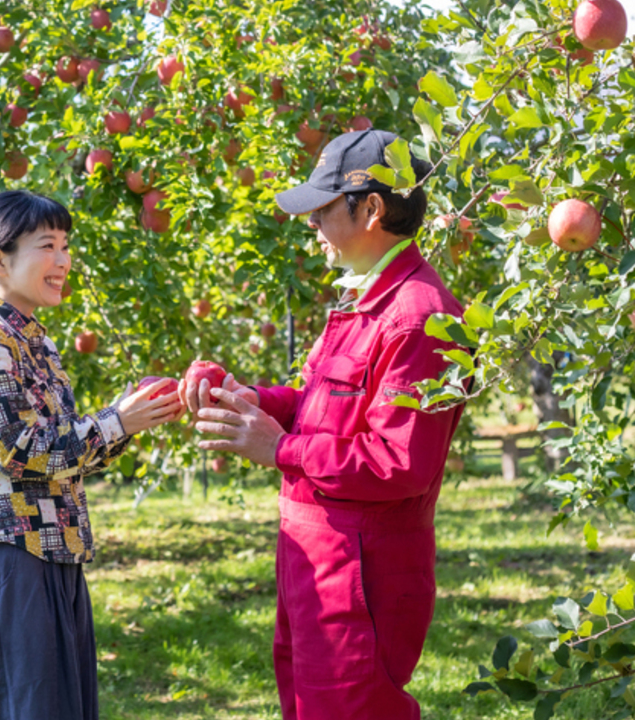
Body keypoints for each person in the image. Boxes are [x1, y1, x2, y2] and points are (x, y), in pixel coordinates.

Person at [183, 129, 468, 720]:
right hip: (317, 565)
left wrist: (281, 450)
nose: (309, 221)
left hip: (361, 577)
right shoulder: (365, 301)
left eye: (321, 207)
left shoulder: (419, 320)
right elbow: (314, 401)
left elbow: (398, 463)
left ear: (370, 208)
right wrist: (242, 395)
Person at [0, 189, 184, 720]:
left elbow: (61, 451)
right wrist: (118, 420)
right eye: (48, 245)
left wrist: (127, 418)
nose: (64, 260)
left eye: (66, 245)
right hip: (10, 552)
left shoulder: (33, 340)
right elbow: (18, 451)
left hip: (52, 548)